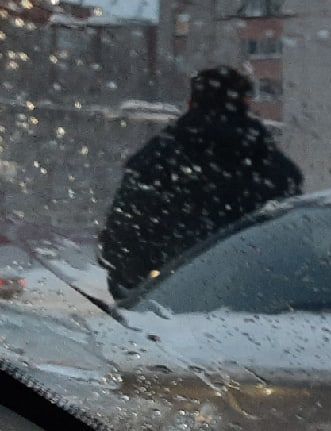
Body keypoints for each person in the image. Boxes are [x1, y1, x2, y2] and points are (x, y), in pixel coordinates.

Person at [99, 66, 303, 301]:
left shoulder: (156, 160)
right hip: (258, 302)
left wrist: (140, 291)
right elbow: (291, 243)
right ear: (246, 103)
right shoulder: (271, 167)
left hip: (170, 303)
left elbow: (122, 238)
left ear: (191, 102)